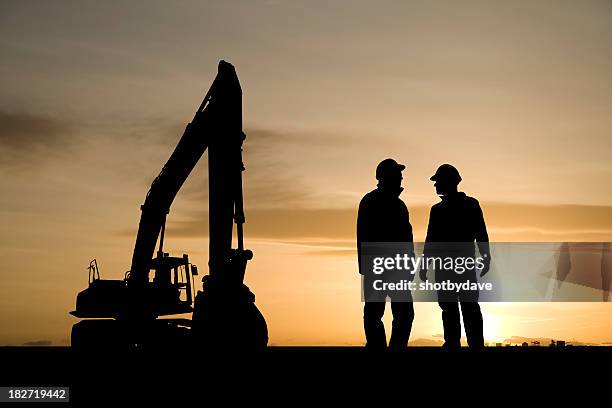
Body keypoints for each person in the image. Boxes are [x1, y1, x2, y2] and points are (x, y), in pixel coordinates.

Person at [420, 164, 491, 349]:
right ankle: (455, 343)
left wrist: (486, 256)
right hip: (447, 266)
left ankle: (472, 344)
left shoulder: (468, 205)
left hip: (459, 265)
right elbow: (431, 240)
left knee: (466, 306)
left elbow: (480, 233)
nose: (435, 186)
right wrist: (425, 264)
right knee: (452, 306)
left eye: (438, 182)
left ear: (448, 182)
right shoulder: (439, 209)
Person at [357, 158, 415, 350]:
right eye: (397, 174)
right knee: (376, 312)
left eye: (400, 175)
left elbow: (407, 238)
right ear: (385, 177)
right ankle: (379, 348)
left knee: (402, 312)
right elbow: (364, 236)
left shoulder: (399, 205)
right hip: (380, 267)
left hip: (395, 267)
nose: (400, 178)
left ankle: (391, 348)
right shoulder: (372, 201)